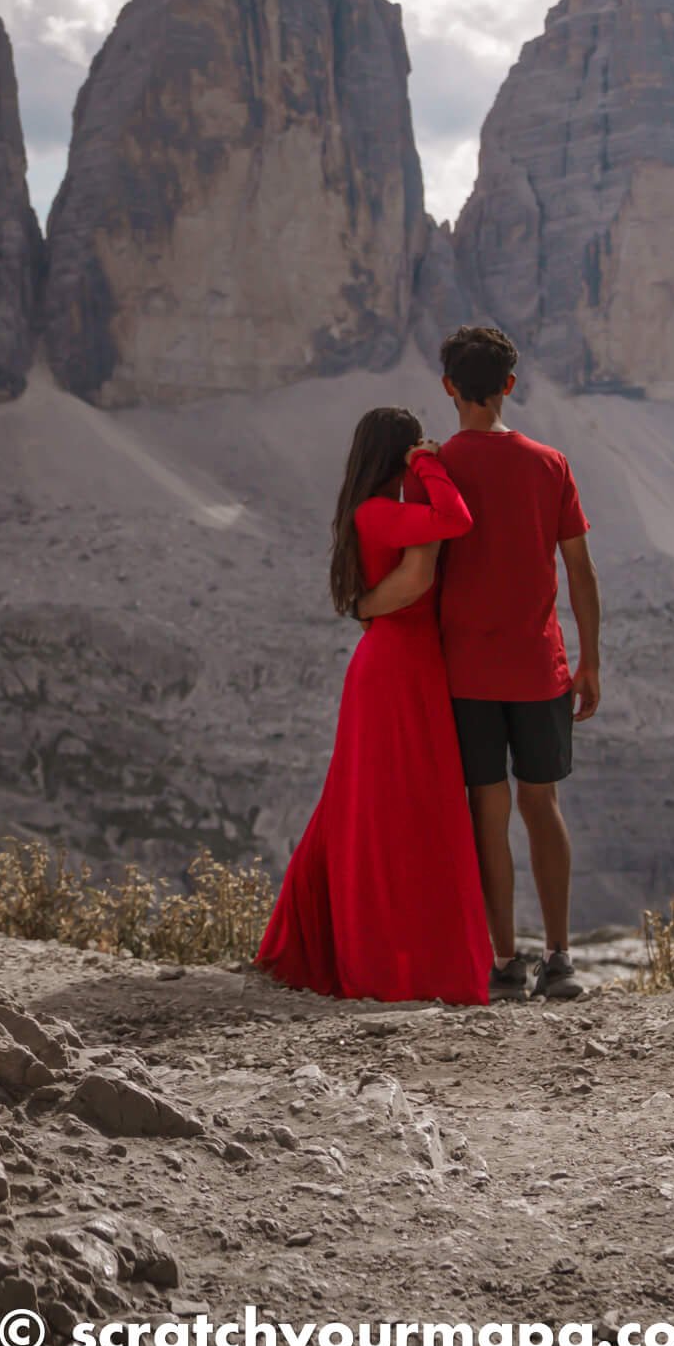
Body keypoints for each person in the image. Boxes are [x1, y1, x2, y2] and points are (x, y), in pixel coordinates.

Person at [356, 327, 601, 1002]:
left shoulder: (429, 471)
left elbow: (420, 568)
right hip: (540, 668)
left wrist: (366, 605)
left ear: (447, 388)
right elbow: (579, 571)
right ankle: (560, 958)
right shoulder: (550, 463)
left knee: (485, 812)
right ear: (508, 386)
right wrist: (591, 661)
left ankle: (503, 961)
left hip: (463, 674)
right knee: (541, 805)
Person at [255, 406, 492, 1005]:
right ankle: (388, 960)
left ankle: (353, 947)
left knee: (372, 806)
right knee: (393, 810)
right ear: (398, 452)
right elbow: (455, 519)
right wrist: (432, 463)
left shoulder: (376, 511)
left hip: (398, 663)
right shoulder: (379, 512)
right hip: (397, 667)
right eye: (411, 446)